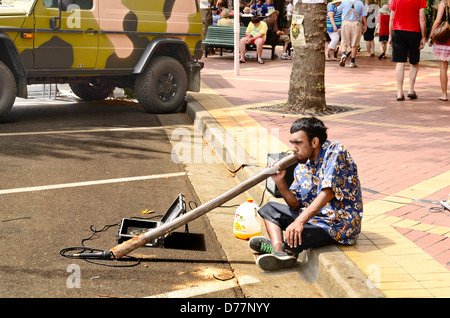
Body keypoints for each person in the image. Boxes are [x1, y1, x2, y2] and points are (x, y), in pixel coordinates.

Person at [249, 117, 363, 272]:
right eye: (292, 143)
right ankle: (279, 252)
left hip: (336, 224)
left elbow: (328, 192)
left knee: (297, 233)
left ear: (314, 142)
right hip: (313, 218)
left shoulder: (335, 151)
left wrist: (300, 222)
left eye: (298, 143)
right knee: (269, 209)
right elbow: (295, 204)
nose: (294, 148)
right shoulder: (303, 165)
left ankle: (283, 249)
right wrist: (280, 182)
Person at [389, 0, 427, 101]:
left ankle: (399, 92)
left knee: (400, 62)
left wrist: (390, 35)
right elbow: (422, 18)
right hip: (414, 32)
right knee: (414, 62)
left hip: (398, 31)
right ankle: (411, 90)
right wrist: (423, 36)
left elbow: (392, 18)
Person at [429, 0, 450, 101]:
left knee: (443, 67)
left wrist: (431, 36)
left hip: (445, 38)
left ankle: (444, 94)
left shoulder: (443, 4)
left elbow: (437, 22)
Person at [338, 0, 367, 68]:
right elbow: (364, 16)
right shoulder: (360, 3)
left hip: (346, 23)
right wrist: (365, 25)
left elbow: (338, 10)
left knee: (344, 41)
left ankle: (343, 54)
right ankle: (352, 62)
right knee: (355, 43)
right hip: (356, 24)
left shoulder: (344, 2)